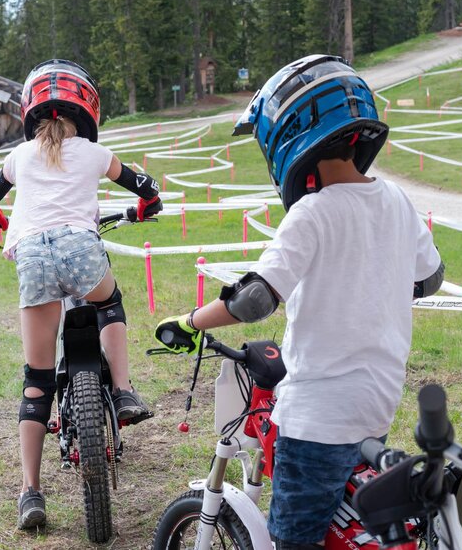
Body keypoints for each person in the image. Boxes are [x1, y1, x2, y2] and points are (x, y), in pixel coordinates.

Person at [154, 55, 445, 550]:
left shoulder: (313, 212)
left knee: (292, 538)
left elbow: (253, 300)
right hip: (377, 399)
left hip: (318, 413)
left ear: (285, 139)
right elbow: (431, 278)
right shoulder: (396, 199)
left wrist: (190, 319)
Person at [0, 59, 163, 530]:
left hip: (33, 255)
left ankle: (30, 493)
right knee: (109, 303)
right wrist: (148, 205)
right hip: (81, 248)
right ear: (86, 112)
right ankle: (121, 392)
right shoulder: (96, 155)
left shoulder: (17, 158)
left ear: (31, 112)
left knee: (37, 380)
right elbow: (145, 187)